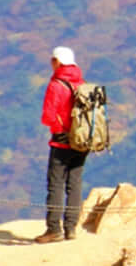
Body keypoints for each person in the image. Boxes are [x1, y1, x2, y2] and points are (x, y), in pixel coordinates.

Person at [35, 46, 88, 243]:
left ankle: (53, 229)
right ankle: (71, 228)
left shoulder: (56, 84)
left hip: (61, 142)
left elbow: (48, 116)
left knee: (55, 185)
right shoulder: (81, 83)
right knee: (74, 185)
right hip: (82, 142)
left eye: (52, 60)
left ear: (58, 61)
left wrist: (56, 125)